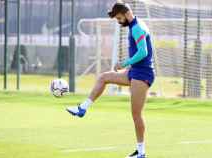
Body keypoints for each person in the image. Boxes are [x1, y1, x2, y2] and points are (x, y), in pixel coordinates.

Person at [66, 2, 154, 158]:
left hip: (142, 74)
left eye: (119, 18)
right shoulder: (134, 25)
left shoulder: (137, 27)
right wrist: (128, 67)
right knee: (104, 77)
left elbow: (143, 52)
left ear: (126, 14)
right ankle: (83, 108)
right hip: (134, 71)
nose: (119, 21)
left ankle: (141, 153)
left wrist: (124, 63)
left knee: (136, 114)